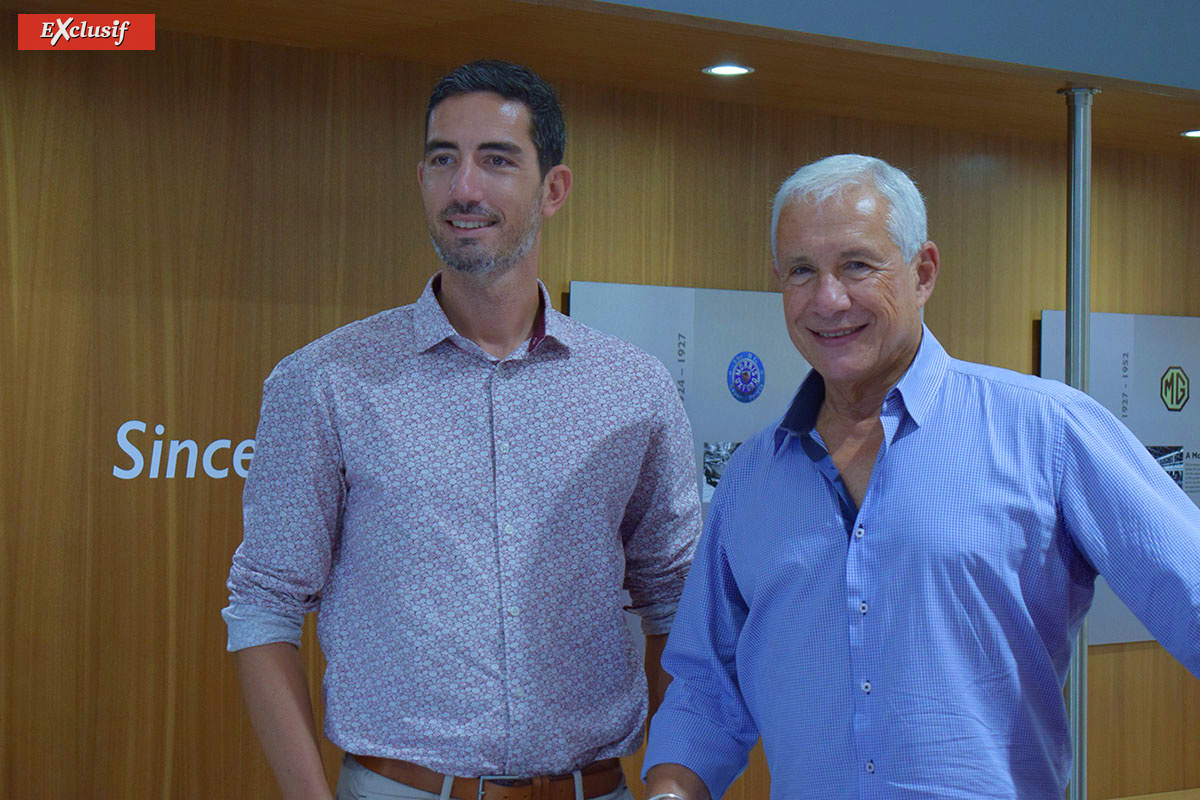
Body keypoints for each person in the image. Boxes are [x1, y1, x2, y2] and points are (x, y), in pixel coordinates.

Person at [641, 154, 1200, 799]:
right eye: (802, 271)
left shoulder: (1047, 430)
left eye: (857, 265)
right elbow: (708, 683)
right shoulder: (752, 479)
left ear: (923, 271)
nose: (829, 300)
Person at [223, 60, 702, 800]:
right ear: (421, 179)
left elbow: (676, 601)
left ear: (554, 190)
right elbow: (264, 605)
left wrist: (674, 784)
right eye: (444, 159)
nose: (464, 188)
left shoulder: (632, 389)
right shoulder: (327, 379)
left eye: (497, 160)